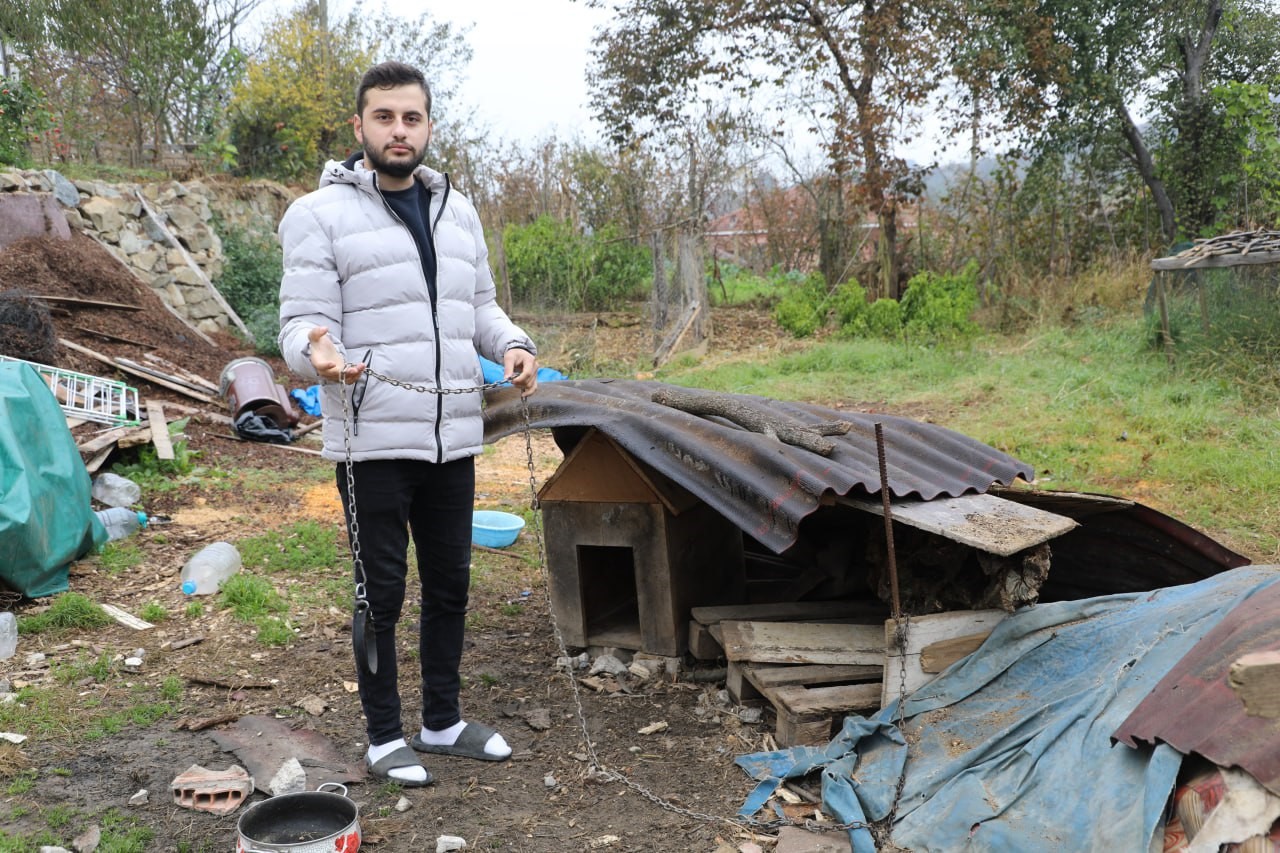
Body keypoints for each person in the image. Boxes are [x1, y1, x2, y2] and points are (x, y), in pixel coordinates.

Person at [277, 60, 539, 786]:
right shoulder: (317, 214)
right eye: (384, 117)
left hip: (453, 433)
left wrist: (512, 344)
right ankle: (385, 734)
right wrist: (316, 354)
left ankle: (442, 720)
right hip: (371, 439)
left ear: (428, 126)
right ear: (359, 126)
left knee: (451, 584)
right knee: (381, 592)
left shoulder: (459, 210)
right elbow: (301, 324)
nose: (399, 130)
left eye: (412, 117)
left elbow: (480, 308)